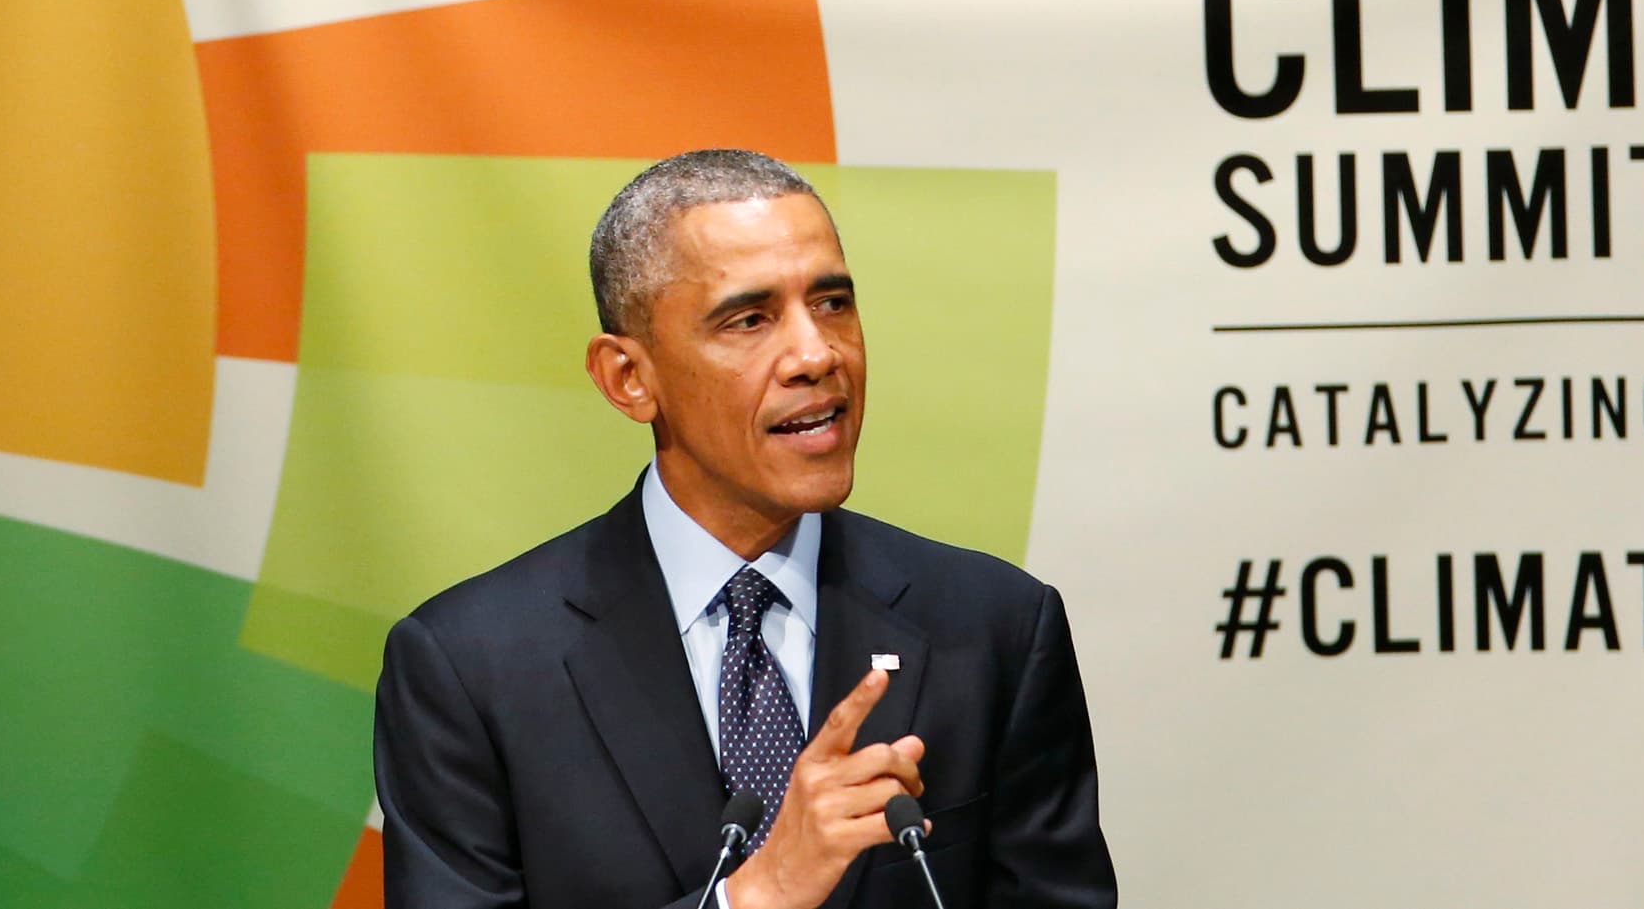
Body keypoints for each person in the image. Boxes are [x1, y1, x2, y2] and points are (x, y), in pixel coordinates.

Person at [373, 150, 1114, 909]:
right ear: (629, 377)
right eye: (750, 318)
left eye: (832, 303)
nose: (816, 354)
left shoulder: (995, 628)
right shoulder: (471, 670)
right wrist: (756, 894)